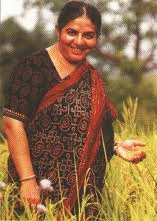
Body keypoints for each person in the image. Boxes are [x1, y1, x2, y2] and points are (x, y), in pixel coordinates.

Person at [2, 0, 146, 217]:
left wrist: (114, 147)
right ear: (58, 30)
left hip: (82, 196)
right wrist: (28, 182)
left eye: (88, 35)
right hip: (36, 190)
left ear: (96, 38)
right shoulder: (33, 68)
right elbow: (13, 124)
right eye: (71, 32)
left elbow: (88, 130)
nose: (79, 41)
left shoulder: (91, 78)